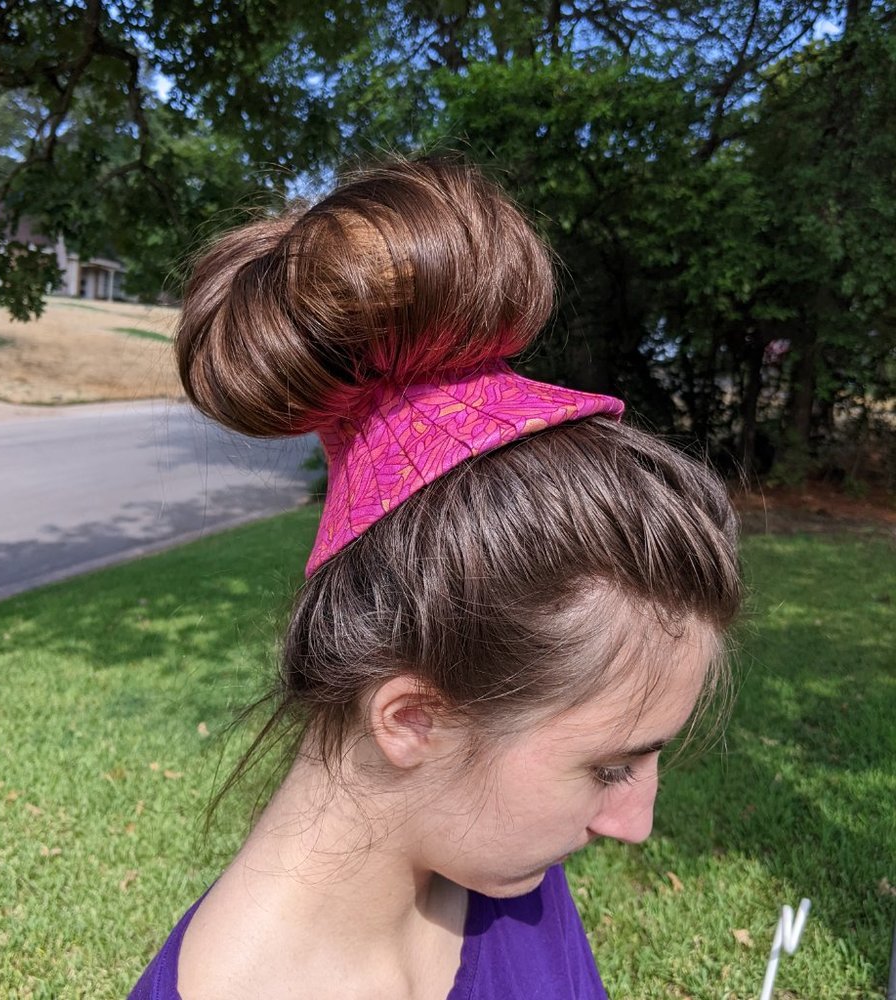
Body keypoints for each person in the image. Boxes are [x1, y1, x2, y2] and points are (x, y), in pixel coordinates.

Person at [128, 158, 742, 1000]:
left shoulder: (495, 862)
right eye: (609, 768)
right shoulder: (493, 838)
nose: (633, 824)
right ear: (414, 720)